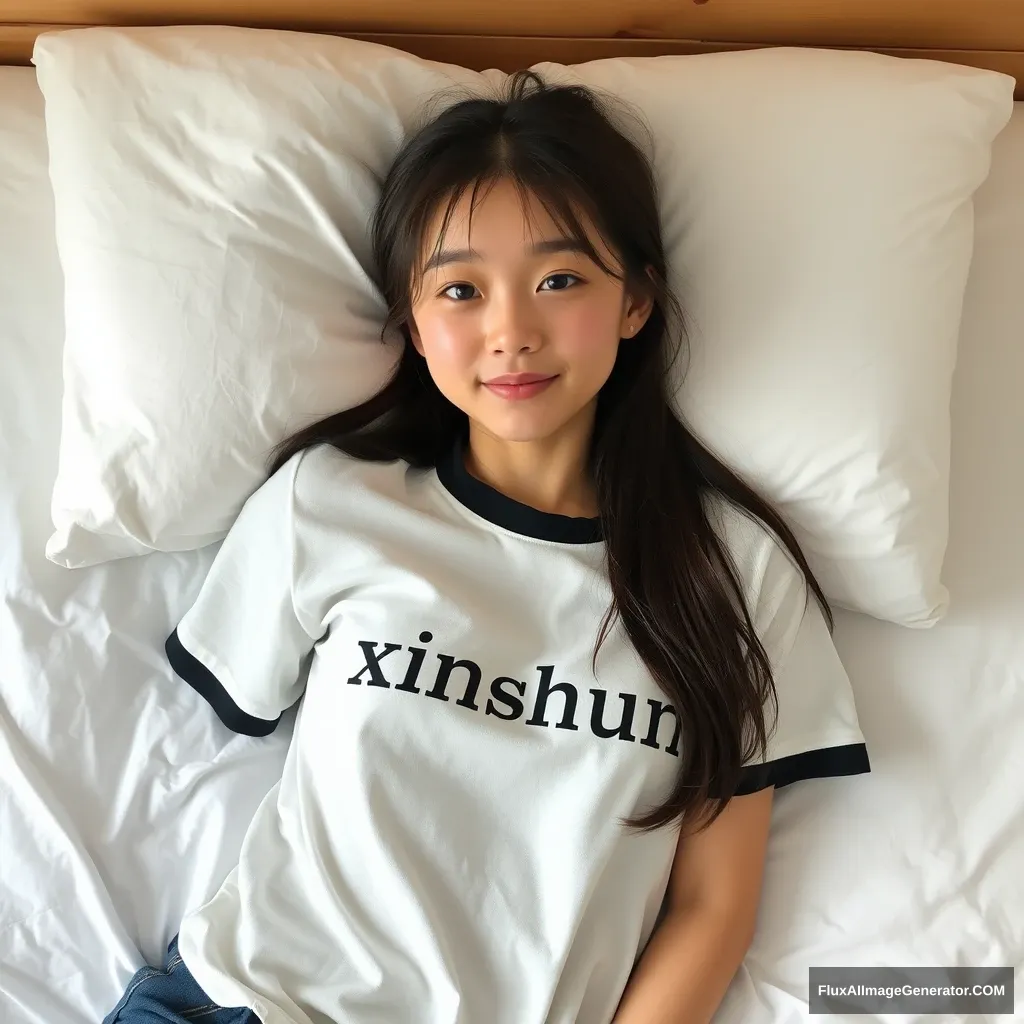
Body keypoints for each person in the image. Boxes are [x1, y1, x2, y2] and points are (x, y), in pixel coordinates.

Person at [104, 69, 869, 1024]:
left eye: (560, 279)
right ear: (414, 325)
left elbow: (711, 906)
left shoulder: (735, 572)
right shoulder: (330, 503)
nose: (511, 331)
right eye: (461, 289)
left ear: (635, 301)